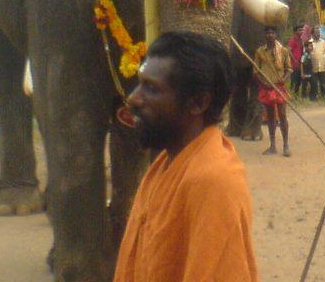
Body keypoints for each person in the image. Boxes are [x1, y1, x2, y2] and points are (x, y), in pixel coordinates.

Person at [114, 31, 258, 282]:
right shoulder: (165, 165)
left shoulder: (213, 180)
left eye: (151, 89)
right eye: (139, 83)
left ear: (198, 103)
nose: (134, 99)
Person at [253, 26, 292, 156]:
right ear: (265, 35)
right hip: (266, 87)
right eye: (268, 33)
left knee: (282, 115)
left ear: (276, 35)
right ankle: (272, 145)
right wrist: (264, 82)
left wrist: (283, 80)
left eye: (272, 33)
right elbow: (256, 71)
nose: (270, 35)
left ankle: (286, 145)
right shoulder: (260, 52)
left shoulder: (284, 51)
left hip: (279, 87)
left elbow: (289, 69)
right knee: (270, 116)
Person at [308, 25, 325, 101]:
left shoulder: (323, 42)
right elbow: (306, 54)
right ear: (312, 34)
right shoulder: (309, 42)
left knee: (323, 83)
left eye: (319, 32)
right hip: (313, 67)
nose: (318, 34)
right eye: (316, 32)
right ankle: (313, 98)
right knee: (314, 84)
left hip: (322, 66)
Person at [287, 24, 303, 96]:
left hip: (300, 64)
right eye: (300, 30)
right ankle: (291, 95)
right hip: (294, 64)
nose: (301, 31)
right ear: (295, 31)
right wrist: (294, 59)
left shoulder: (301, 40)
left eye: (302, 30)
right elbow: (289, 51)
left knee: (299, 80)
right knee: (293, 80)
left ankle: (296, 95)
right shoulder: (293, 40)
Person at [301, 36, 316, 100]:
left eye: (312, 46)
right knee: (304, 85)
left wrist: (313, 70)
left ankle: (312, 97)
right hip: (305, 73)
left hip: (310, 73)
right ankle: (303, 97)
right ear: (306, 47)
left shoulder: (310, 54)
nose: (311, 47)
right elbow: (301, 63)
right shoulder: (305, 55)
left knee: (313, 84)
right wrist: (302, 73)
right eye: (310, 46)